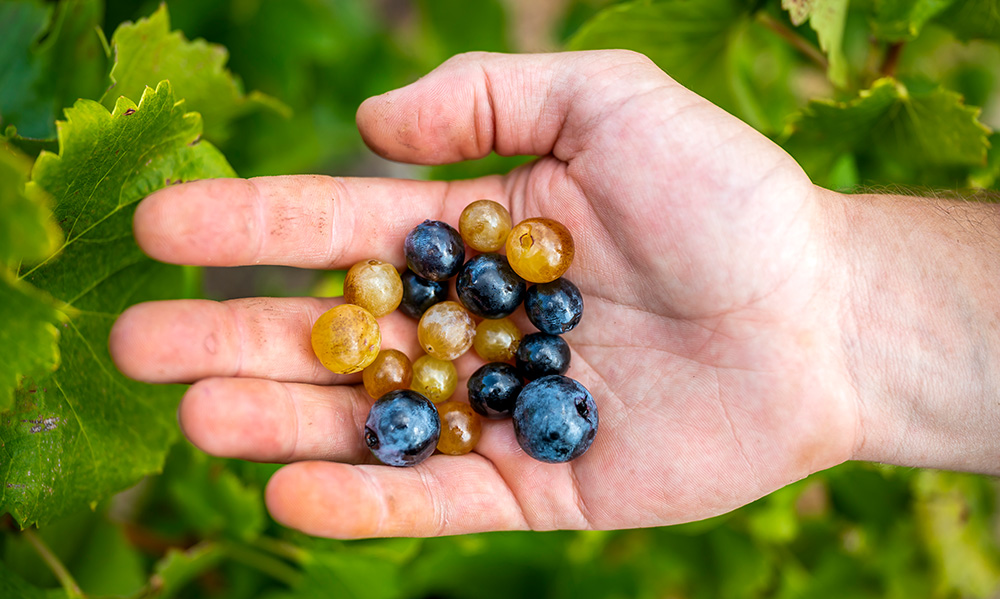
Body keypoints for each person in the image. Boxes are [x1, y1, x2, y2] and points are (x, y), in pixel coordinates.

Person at [109, 50, 1000, 540]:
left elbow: (483, 332)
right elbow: (459, 330)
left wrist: (836, 301)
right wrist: (841, 303)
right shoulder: (463, 324)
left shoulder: (508, 327)